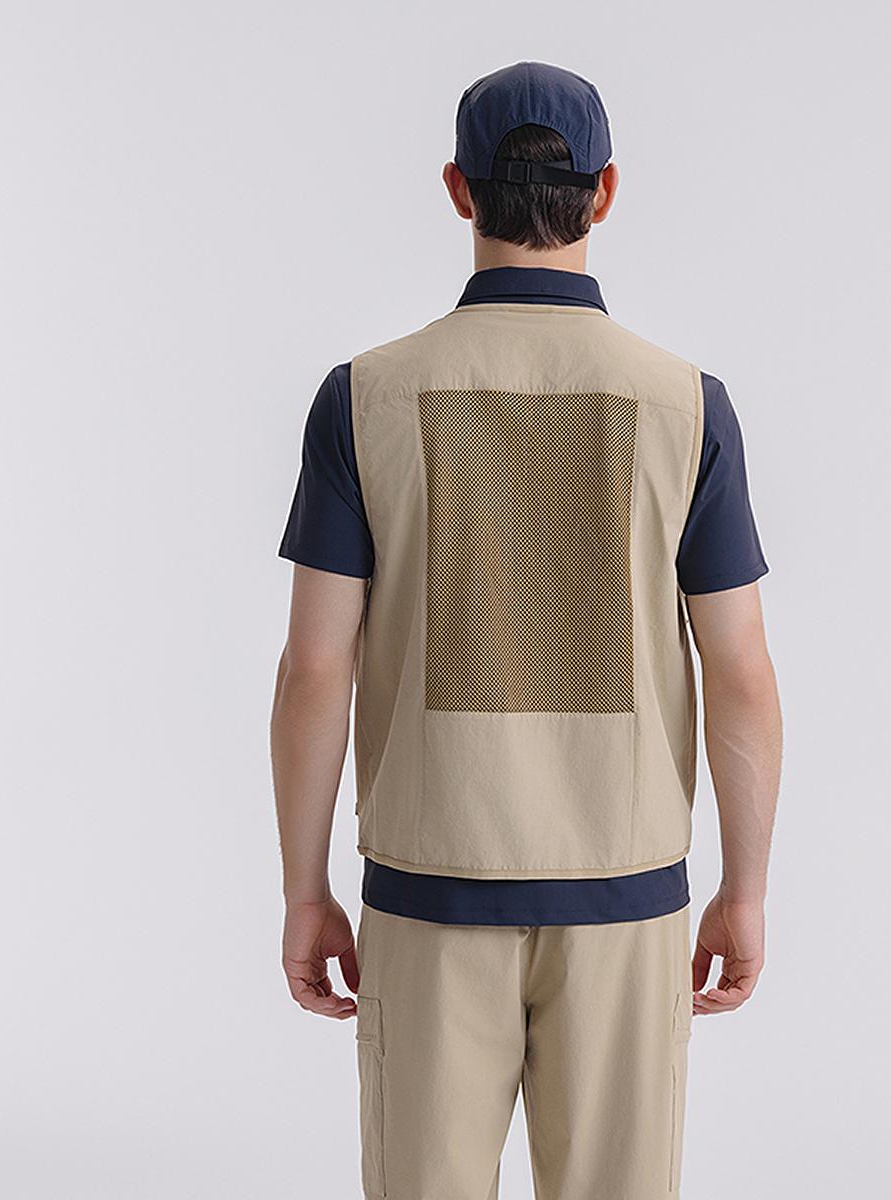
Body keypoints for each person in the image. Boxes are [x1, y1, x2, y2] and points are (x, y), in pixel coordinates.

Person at [271, 60, 782, 1200]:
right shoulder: (687, 405)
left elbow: (315, 667)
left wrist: (306, 889)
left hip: (429, 888)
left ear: (459, 189)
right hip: (624, 891)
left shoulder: (363, 397)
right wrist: (744, 889)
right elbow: (740, 671)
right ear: (605, 192)